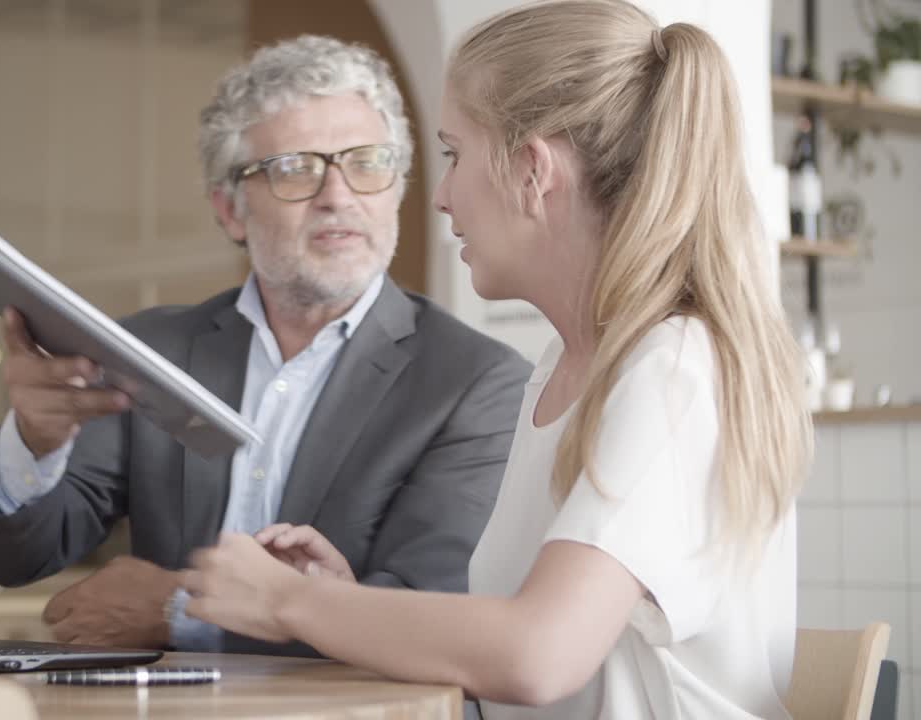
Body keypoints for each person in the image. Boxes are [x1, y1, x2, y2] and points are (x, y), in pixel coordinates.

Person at [181, 1, 812, 717]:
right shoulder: (561, 369)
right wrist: (337, 600)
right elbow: (517, 639)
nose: (442, 196)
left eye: (454, 154)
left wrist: (290, 602)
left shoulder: (673, 369)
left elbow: (536, 655)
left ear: (532, 171)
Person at [0, 34, 532, 657]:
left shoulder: (477, 381)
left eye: (366, 162)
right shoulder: (152, 350)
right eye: (295, 170)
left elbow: (430, 610)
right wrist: (33, 445)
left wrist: (178, 614)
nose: (338, 196)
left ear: (394, 187)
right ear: (230, 210)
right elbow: (9, 557)